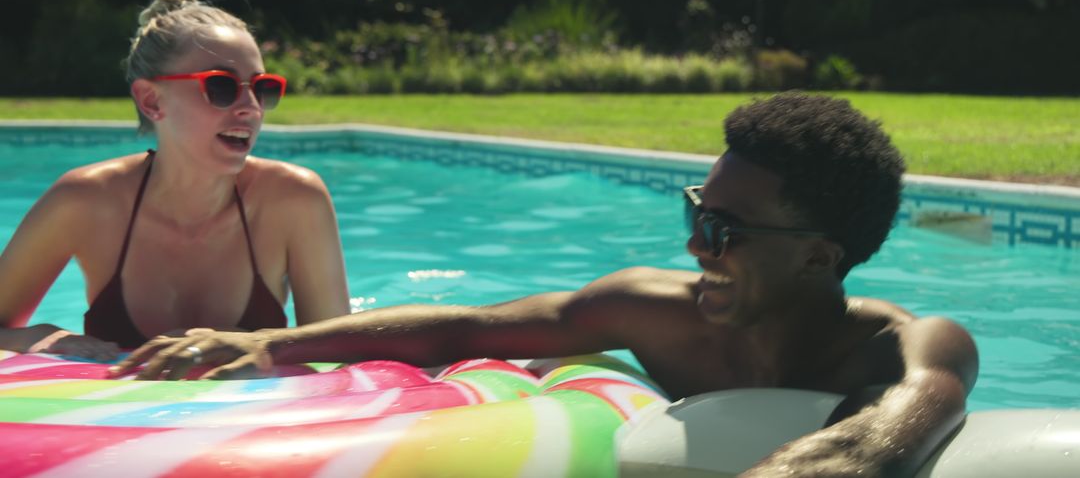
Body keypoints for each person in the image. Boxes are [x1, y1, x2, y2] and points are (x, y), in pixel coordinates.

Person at [113, 93, 978, 477]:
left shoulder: (909, 345)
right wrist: (270, 342)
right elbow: (470, 327)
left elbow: (867, 452)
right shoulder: (654, 310)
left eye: (725, 231)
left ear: (820, 258)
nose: (694, 243)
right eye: (695, 211)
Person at [0, 0, 350, 359]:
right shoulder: (85, 202)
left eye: (262, 88)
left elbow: (341, 356)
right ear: (151, 100)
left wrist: (261, 348)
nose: (251, 107)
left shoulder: (293, 200)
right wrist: (38, 336)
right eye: (221, 86)